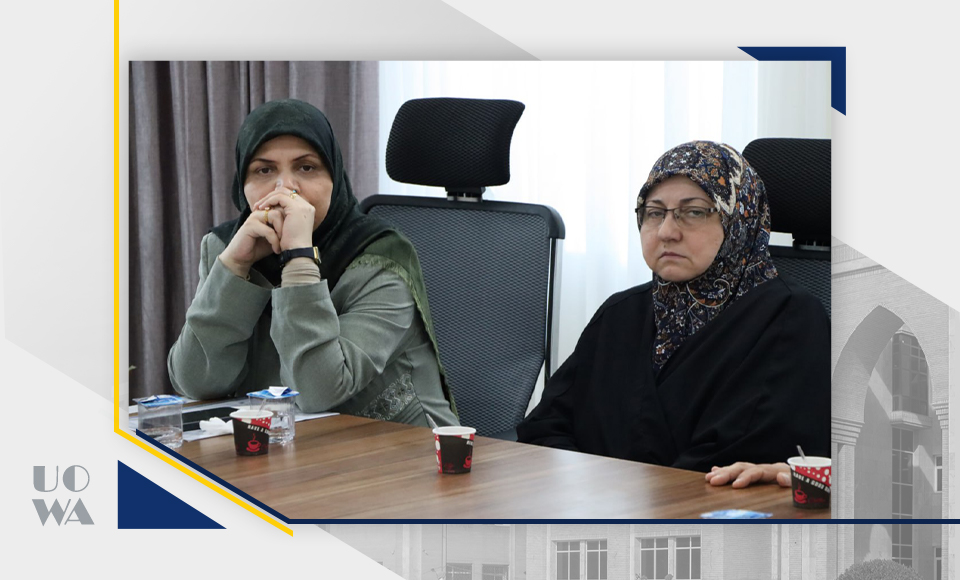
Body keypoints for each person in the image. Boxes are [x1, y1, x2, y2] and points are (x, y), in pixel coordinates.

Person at [516, 140, 829, 478]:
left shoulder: (789, 318)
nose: (666, 232)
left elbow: (740, 460)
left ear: (738, 219)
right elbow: (544, 429)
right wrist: (587, 487)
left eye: (693, 212)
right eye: (654, 213)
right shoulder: (620, 314)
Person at [168, 99, 458, 428]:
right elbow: (195, 382)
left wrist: (298, 257)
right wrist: (234, 267)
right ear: (242, 185)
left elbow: (317, 391)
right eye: (264, 170)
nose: (286, 188)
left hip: (400, 446)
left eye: (306, 168)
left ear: (334, 177)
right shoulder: (226, 247)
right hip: (286, 444)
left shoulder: (381, 257)